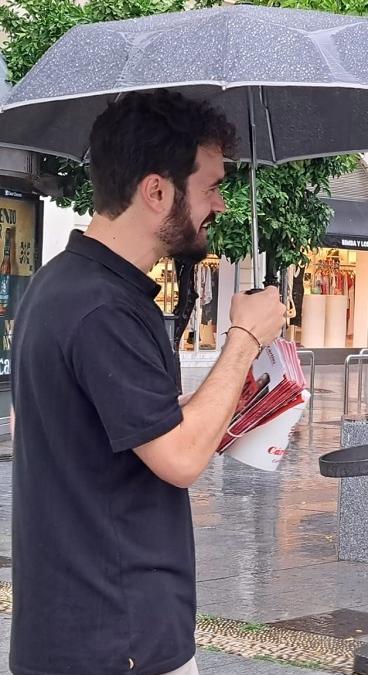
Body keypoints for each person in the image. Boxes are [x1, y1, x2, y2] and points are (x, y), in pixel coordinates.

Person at [9, 91, 287, 675]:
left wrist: (205, 407)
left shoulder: (63, 284)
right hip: (116, 637)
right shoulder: (102, 309)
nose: (223, 204)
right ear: (157, 191)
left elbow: (98, 429)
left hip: (80, 630)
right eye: (210, 186)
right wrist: (245, 337)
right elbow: (181, 460)